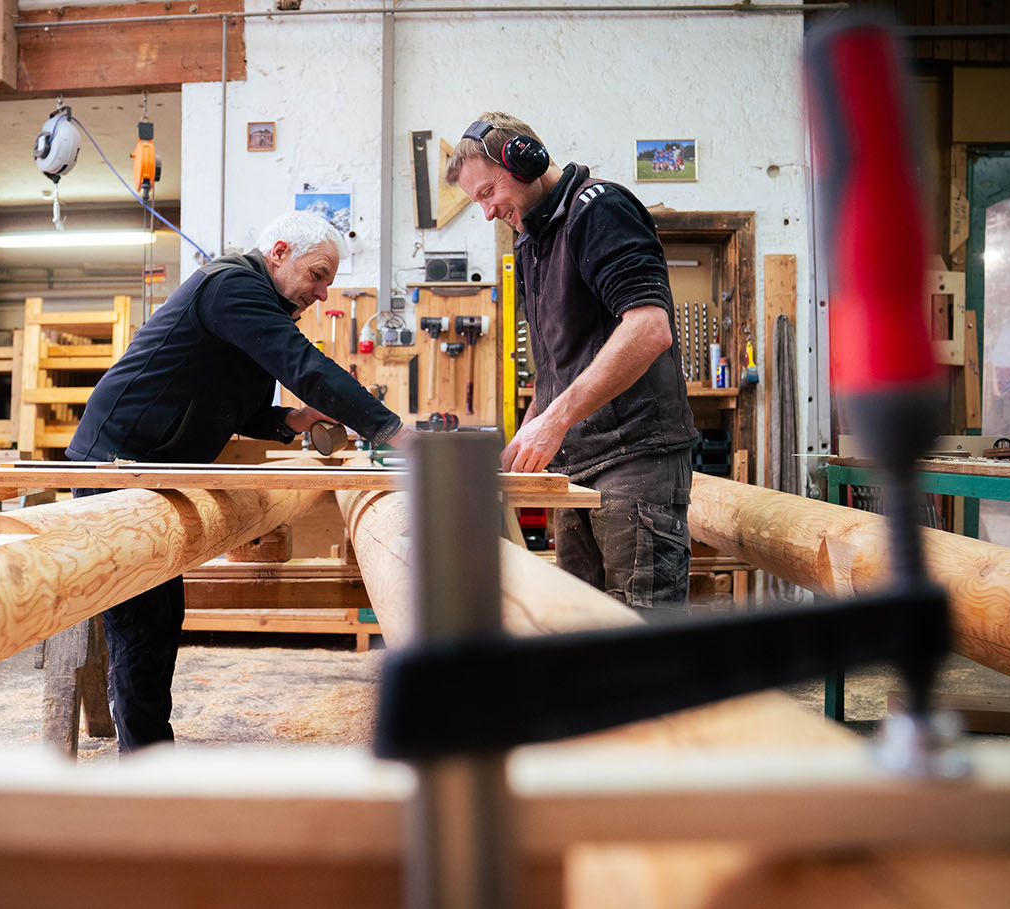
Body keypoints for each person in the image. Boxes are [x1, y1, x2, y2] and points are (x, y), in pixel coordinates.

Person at [66, 210, 416, 750]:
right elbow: (308, 370)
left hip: (152, 468)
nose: (323, 293)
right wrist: (397, 433)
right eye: (318, 275)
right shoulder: (231, 286)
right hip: (114, 464)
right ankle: (145, 767)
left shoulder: (260, 305)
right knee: (143, 624)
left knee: (157, 619)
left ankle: (148, 750)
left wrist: (287, 421)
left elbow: (229, 405)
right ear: (278, 252)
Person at [445, 112, 697, 617]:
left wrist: (555, 421)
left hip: (633, 462)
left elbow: (649, 328)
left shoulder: (599, 210)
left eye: (489, 192)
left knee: (637, 637)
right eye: (478, 202)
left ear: (525, 160)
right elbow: (559, 363)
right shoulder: (534, 239)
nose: (489, 212)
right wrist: (530, 428)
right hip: (576, 469)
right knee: (582, 631)